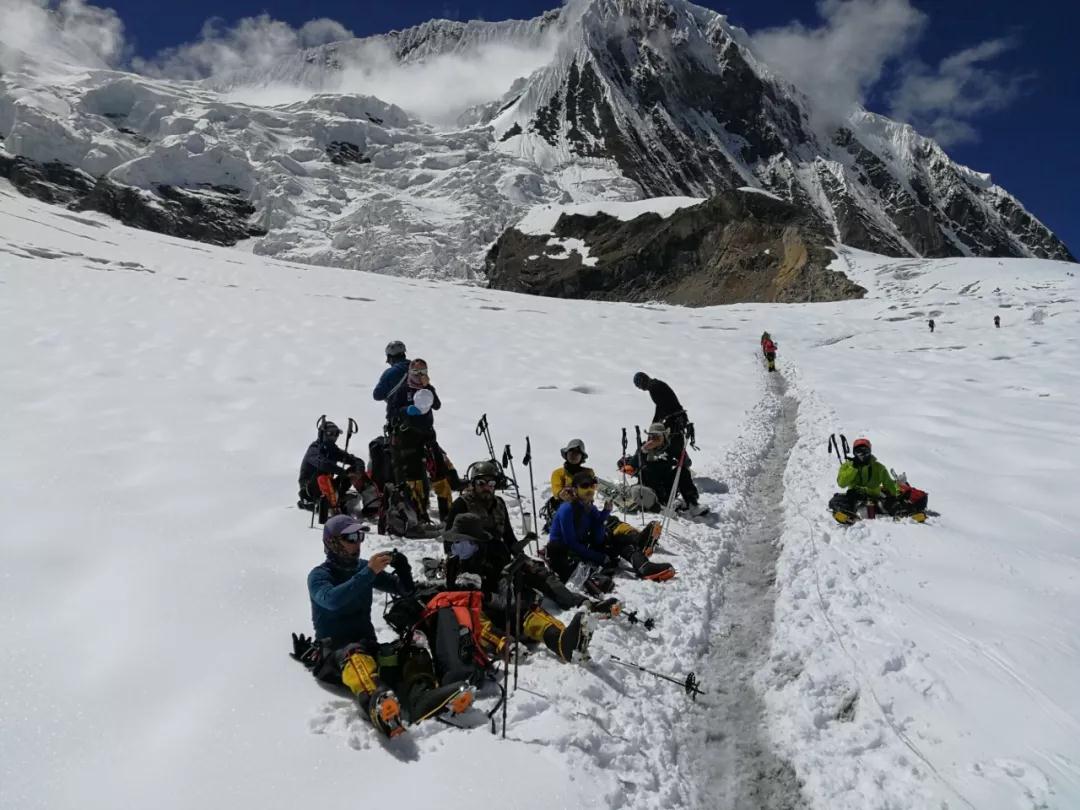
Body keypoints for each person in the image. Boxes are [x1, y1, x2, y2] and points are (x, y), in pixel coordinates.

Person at [298, 515, 474, 736]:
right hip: (335, 657)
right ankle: (377, 702)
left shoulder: (362, 568)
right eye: (351, 537)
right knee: (355, 656)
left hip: (369, 649)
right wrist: (369, 572)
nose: (357, 543)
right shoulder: (319, 576)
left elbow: (404, 590)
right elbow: (332, 600)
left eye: (360, 536)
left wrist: (403, 570)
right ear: (332, 542)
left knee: (412, 651)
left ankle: (422, 698)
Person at [445, 463, 620, 614]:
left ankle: (578, 602)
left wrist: (521, 557)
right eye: (481, 483)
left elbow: (508, 536)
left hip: (500, 557)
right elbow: (450, 542)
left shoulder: (498, 503)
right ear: (473, 484)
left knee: (539, 572)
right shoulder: (462, 504)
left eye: (490, 483)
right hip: (475, 564)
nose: (486, 487)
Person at [547, 471, 675, 582]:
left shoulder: (588, 506)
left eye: (593, 485)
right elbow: (571, 543)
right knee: (611, 542)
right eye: (584, 486)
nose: (590, 489)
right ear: (575, 489)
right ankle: (639, 542)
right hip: (565, 552)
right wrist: (600, 557)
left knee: (616, 539)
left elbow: (598, 523)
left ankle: (644, 566)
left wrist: (606, 511)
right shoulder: (567, 509)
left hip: (582, 545)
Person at [384, 359, 450, 524]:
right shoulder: (402, 389)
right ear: (410, 373)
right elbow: (391, 413)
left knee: (439, 472)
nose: (420, 376)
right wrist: (406, 411)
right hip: (408, 438)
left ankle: (448, 515)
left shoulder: (427, 388)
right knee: (414, 478)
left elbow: (437, 405)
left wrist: (428, 387)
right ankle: (420, 516)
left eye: (424, 372)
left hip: (427, 435)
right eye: (416, 373)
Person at [619, 423, 706, 517]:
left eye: (658, 436)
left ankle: (693, 504)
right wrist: (643, 450)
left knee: (682, 472)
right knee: (637, 489)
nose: (654, 438)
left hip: (667, 487)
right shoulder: (644, 448)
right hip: (649, 488)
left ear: (664, 436)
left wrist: (682, 455)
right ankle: (660, 507)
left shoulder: (671, 448)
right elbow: (633, 465)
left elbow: (687, 463)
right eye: (652, 435)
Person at [297, 420, 364, 516]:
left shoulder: (333, 450)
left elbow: (354, 460)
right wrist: (342, 472)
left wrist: (358, 469)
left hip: (329, 487)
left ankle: (370, 504)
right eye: (330, 433)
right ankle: (332, 509)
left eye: (336, 434)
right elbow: (324, 464)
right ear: (322, 434)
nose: (333, 437)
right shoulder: (314, 449)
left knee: (352, 471)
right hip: (310, 490)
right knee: (322, 473)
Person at [829, 438, 900, 522]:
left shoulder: (878, 467)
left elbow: (889, 484)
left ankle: (902, 516)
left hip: (874, 498)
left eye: (865, 451)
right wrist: (852, 468)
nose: (862, 454)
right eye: (858, 451)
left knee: (892, 504)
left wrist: (897, 495)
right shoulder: (847, 466)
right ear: (854, 452)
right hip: (854, 497)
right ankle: (847, 517)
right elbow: (842, 483)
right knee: (835, 501)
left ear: (869, 451)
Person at [632, 372, 691, 456]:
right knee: (665, 442)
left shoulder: (655, 387)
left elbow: (662, 407)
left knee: (666, 442)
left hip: (676, 418)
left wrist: (655, 423)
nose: (641, 388)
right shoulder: (655, 386)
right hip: (675, 417)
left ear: (644, 380)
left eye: (640, 385)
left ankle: (682, 461)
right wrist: (655, 423)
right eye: (639, 387)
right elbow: (660, 407)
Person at [373, 340, 410, 421]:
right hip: (424, 420)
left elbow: (377, 395)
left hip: (399, 418)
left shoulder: (390, 373)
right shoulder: (417, 368)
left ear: (390, 357)